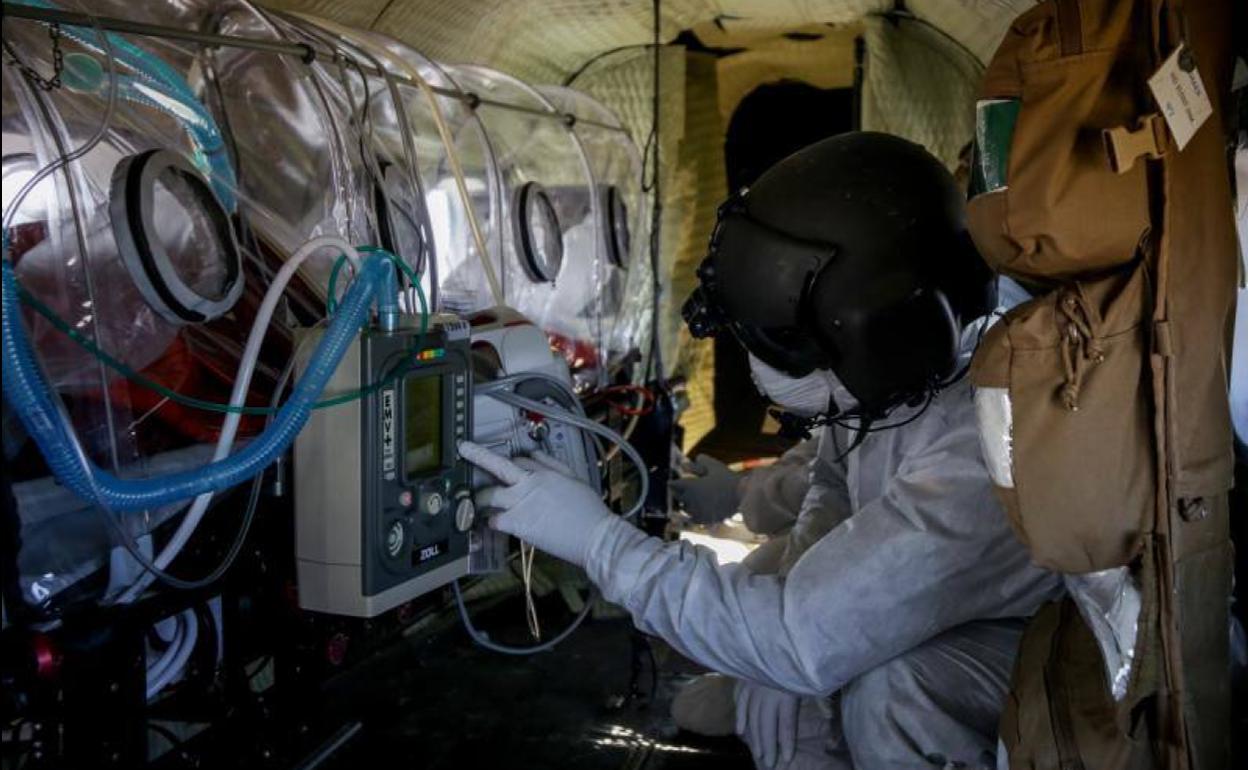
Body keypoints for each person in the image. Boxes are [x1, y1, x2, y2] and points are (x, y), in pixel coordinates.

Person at [459, 132, 1063, 769]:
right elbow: (835, 474)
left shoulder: (988, 443)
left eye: (782, 343)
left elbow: (806, 635)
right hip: (944, 605)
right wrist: (779, 546)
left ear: (879, 337)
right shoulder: (906, 374)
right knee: (774, 589)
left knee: (889, 690)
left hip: (1028, 640)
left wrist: (600, 544)